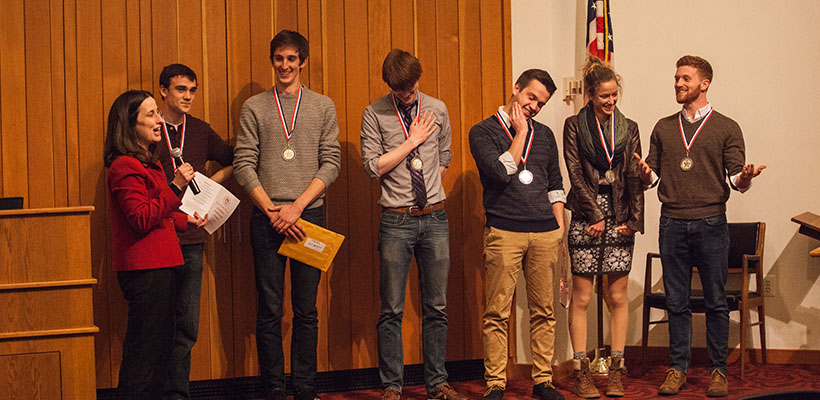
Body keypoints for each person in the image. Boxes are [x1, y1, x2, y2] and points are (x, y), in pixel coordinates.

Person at [635, 55, 766, 398]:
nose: (678, 83)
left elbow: (736, 179)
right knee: (676, 301)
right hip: (672, 221)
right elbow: (653, 177)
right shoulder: (664, 127)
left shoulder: (726, 126)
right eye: (676, 78)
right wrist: (644, 173)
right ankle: (677, 369)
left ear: (704, 83)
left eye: (685, 79)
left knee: (715, 301)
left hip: (711, 222)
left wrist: (747, 177)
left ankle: (717, 371)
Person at [233, 30, 341, 400]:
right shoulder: (254, 107)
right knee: (269, 310)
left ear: (303, 62)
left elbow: (332, 163)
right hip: (267, 220)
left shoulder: (323, 106)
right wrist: (273, 209)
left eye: (292, 58)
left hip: (309, 217)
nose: (285, 65)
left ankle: (305, 389)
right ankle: (275, 389)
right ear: (272, 61)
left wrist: (297, 208)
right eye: (279, 58)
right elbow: (243, 164)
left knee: (307, 310)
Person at [360, 49, 467, 400]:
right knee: (391, 308)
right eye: (401, 90)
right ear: (390, 86)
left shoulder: (436, 108)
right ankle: (392, 386)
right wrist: (413, 141)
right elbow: (374, 166)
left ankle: (437, 383)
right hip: (396, 220)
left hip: (435, 217)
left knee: (436, 306)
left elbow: (446, 153)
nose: (408, 94)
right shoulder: (374, 113)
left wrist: (434, 186)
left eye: (412, 87)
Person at [469, 69, 566, 400]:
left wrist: (559, 230)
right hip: (504, 231)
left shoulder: (547, 134)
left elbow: (555, 183)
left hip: (545, 233)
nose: (534, 107)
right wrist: (521, 133)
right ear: (515, 89)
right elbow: (499, 172)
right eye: (530, 98)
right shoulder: (482, 131)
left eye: (541, 103)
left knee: (544, 311)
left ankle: (543, 380)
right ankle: (496, 383)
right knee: (497, 312)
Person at [103, 90, 206, 399]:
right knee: (144, 357)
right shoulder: (124, 166)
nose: (159, 119)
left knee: (160, 353)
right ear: (129, 123)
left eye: (156, 113)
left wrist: (185, 222)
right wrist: (177, 186)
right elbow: (141, 218)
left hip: (165, 264)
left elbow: (159, 214)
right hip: (146, 270)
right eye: (150, 114)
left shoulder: (151, 164)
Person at [562, 57, 644, 398]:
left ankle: (615, 370)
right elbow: (574, 172)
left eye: (614, 96)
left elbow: (635, 177)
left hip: (621, 214)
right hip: (586, 213)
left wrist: (632, 221)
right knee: (581, 298)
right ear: (591, 96)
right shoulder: (573, 125)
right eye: (604, 97)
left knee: (617, 295)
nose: (610, 102)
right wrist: (594, 214)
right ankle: (582, 371)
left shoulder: (630, 127)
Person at [155, 63, 234, 400]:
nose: (187, 96)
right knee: (157, 323)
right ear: (163, 91)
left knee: (187, 325)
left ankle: (177, 394)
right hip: (156, 237)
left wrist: (208, 183)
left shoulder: (200, 130)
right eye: (180, 89)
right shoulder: (150, 129)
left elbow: (234, 159)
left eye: (192, 90)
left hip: (192, 239)